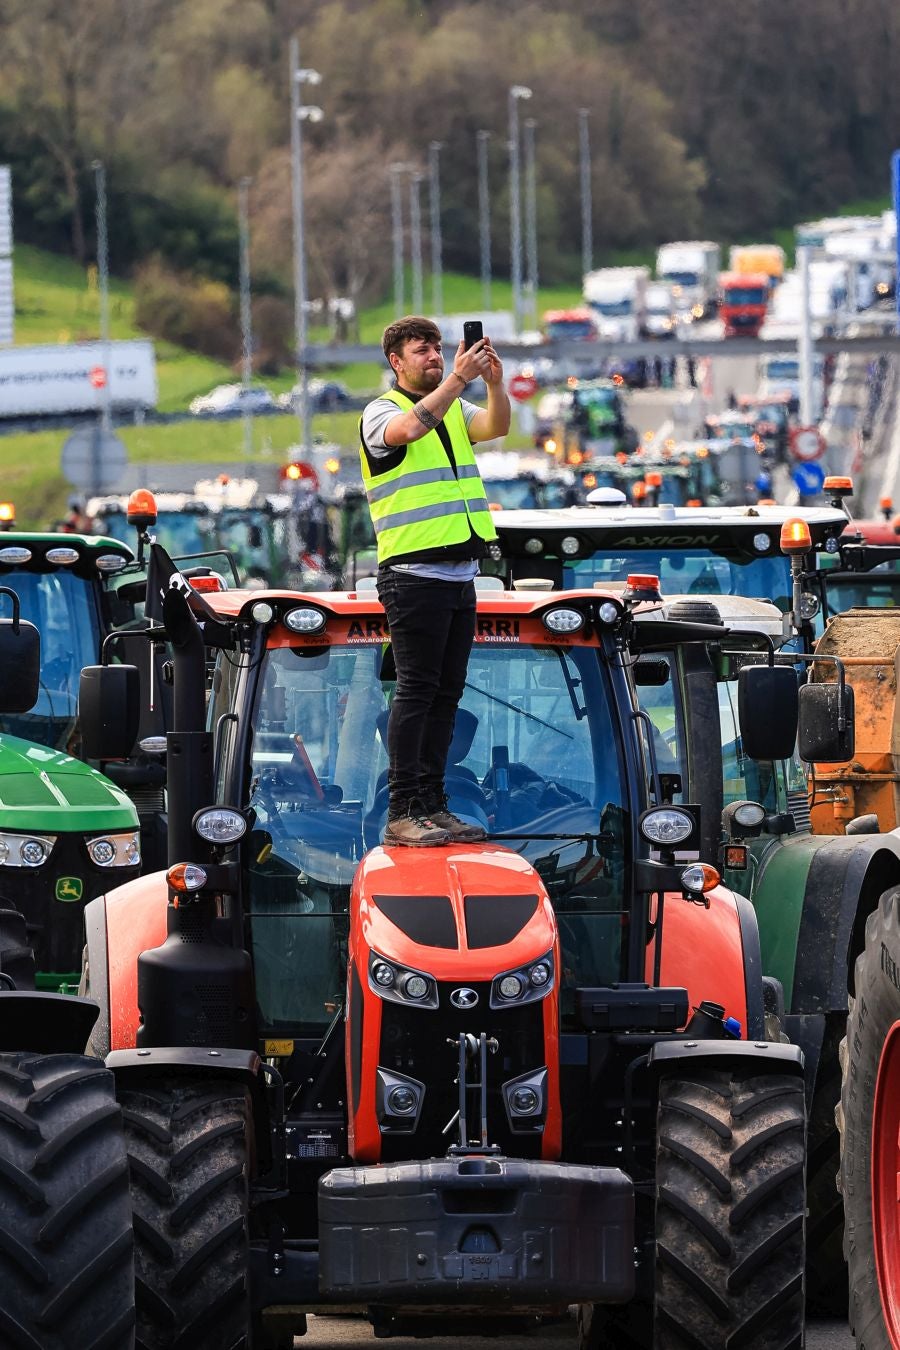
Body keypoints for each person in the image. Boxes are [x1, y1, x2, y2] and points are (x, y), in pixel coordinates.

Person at [359, 316, 510, 847]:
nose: (436, 358)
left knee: (445, 695)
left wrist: (492, 380)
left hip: (458, 573)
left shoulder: (451, 408)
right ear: (395, 361)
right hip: (413, 575)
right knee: (417, 690)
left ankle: (433, 803)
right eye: (422, 350)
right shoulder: (382, 412)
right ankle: (403, 809)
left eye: (440, 350)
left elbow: (497, 427)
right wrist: (459, 382)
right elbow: (408, 430)